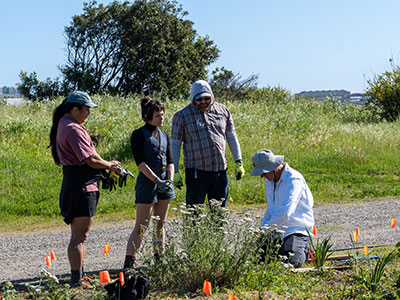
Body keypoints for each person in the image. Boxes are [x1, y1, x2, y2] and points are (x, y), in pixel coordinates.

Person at [49, 91, 121, 287]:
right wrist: (110, 166)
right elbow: (90, 159)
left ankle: (79, 275)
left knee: (78, 236)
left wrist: (106, 165)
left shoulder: (64, 124)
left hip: (75, 185)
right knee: (79, 237)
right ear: (75, 109)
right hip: (82, 188)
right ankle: (76, 280)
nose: (88, 113)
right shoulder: (73, 128)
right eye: (86, 109)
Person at [171, 80, 245, 207]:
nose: (203, 102)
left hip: (220, 170)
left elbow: (231, 136)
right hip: (196, 172)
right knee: (195, 212)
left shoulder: (223, 111)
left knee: (219, 213)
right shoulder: (181, 116)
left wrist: (238, 162)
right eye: (199, 99)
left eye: (207, 98)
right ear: (193, 98)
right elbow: (175, 144)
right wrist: (175, 171)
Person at [123, 97, 175, 270]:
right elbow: (140, 163)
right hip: (148, 182)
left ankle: (160, 261)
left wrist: (169, 180)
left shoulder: (165, 135)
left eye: (162, 115)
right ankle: (129, 265)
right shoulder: (138, 134)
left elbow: (170, 161)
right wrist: (156, 180)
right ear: (147, 116)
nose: (161, 118)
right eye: (157, 116)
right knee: (142, 225)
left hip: (164, 181)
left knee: (160, 224)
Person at [250, 149, 314, 268]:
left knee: (290, 261)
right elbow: (271, 209)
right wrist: (261, 232)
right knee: (254, 259)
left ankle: (304, 250)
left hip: (295, 230)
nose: (262, 176)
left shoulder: (294, 180)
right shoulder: (271, 180)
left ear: (273, 168)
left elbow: (285, 214)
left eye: (263, 173)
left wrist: (265, 231)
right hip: (275, 231)